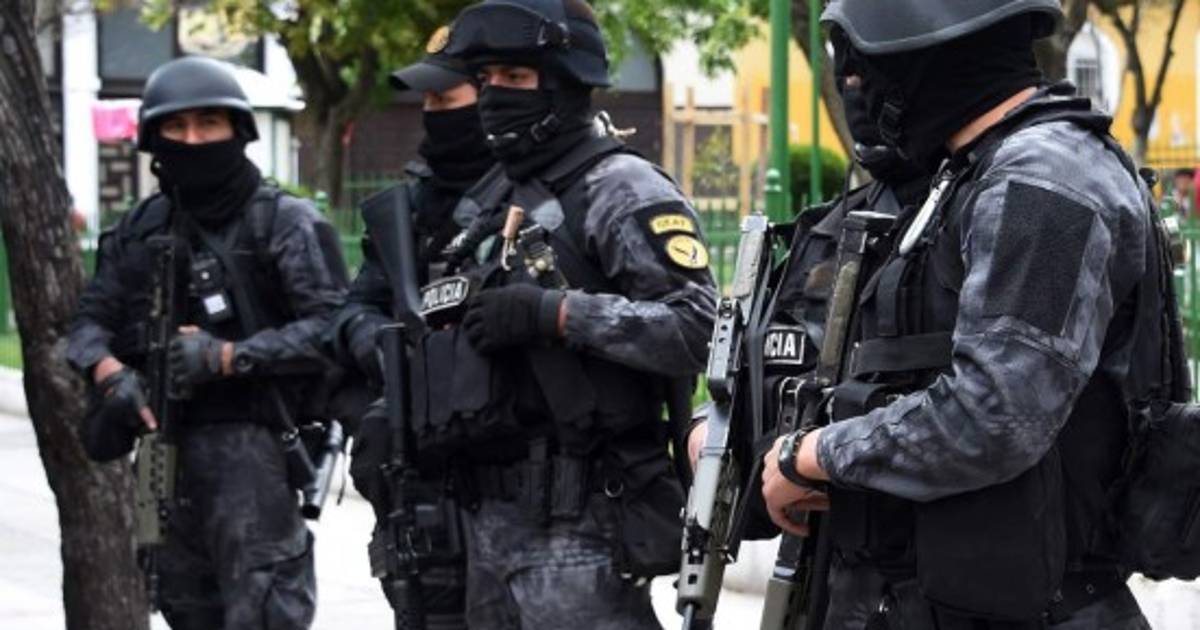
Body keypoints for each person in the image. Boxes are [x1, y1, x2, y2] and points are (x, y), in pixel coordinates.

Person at [760, 1, 1168, 628]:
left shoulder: (1045, 179)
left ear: (932, 54)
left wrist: (812, 455)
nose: (857, 86)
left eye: (871, 66)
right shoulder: (969, 174)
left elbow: (996, 413)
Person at [420, 1, 717, 627]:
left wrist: (557, 315)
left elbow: (699, 328)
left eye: (516, 77)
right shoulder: (492, 198)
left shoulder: (620, 187)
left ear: (565, 84)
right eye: (485, 79)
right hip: (486, 528)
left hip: (584, 527)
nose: (494, 95)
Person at [67, 56, 347, 629]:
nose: (193, 140)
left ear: (236, 130)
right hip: (159, 452)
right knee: (178, 602)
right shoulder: (140, 228)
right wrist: (109, 372)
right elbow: (88, 322)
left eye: (208, 124)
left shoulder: (282, 222)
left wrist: (227, 357)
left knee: (264, 611)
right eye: (177, 127)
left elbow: (334, 330)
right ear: (154, 140)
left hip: (255, 450)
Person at [328, 31, 500, 630]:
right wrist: (386, 347)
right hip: (422, 472)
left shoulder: (531, 198)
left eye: (444, 100)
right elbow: (354, 309)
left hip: (503, 460)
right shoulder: (412, 206)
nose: (431, 114)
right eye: (426, 102)